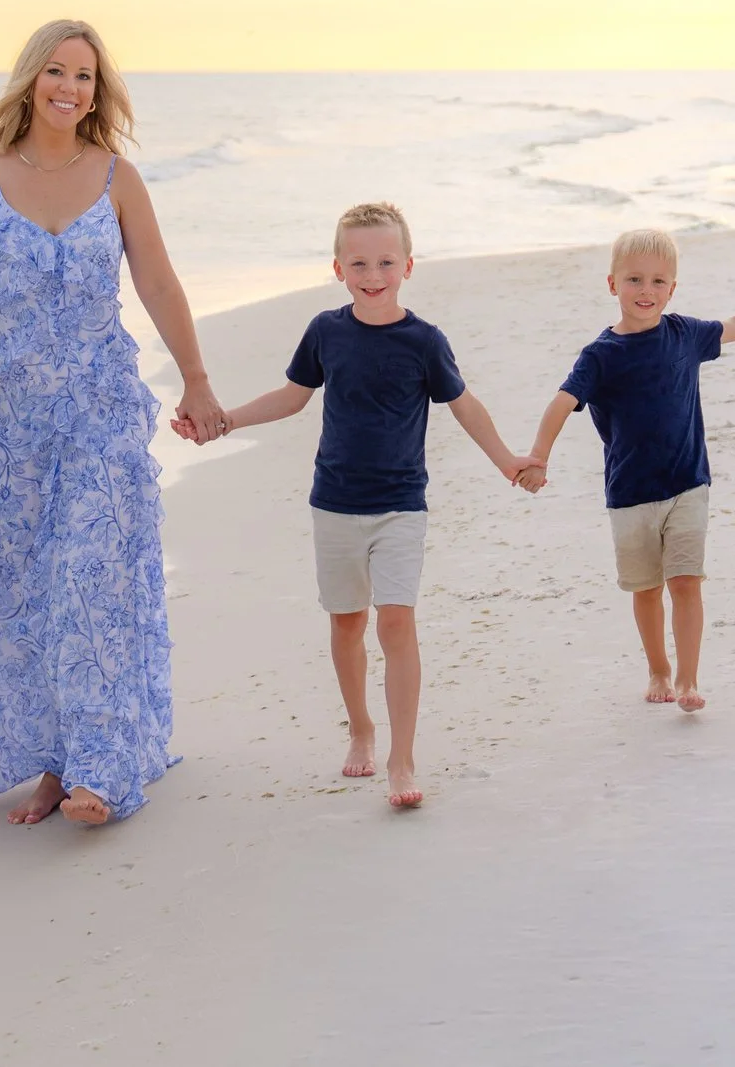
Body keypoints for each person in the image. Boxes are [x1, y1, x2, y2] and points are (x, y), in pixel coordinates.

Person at [0, 19, 229, 828]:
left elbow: (160, 284)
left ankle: (99, 766)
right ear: (30, 79)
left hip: (98, 414)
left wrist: (197, 379)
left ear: (100, 90)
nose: (70, 87)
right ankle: (57, 765)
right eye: (57, 71)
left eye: (86, 76)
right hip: (9, 419)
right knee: (29, 586)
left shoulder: (117, 177)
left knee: (91, 580)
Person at [204, 202, 535, 809]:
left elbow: (464, 405)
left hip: (401, 505)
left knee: (396, 620)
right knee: (347, 622)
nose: (373, 273)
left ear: (407, 265)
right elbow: (292, 397)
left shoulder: (424, 341)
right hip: (334, 502)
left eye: (385, 261)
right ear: (338, 268)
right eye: (359, 262)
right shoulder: (326, 332)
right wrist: (227, 420)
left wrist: (507, 460)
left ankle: (402, 758)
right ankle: (360, 727)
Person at [516, 228, 735, 713]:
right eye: (635, 280)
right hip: (630, 494)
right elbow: (562, 402)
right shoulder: (600, 356)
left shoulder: (684, 334)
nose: (646, 291)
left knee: (686, 581)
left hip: (688, 483)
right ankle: (658, 669)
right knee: (646, 590)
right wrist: (539, 455)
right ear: (612, 284)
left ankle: (688, 680)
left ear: (673, 289)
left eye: (658, 281)